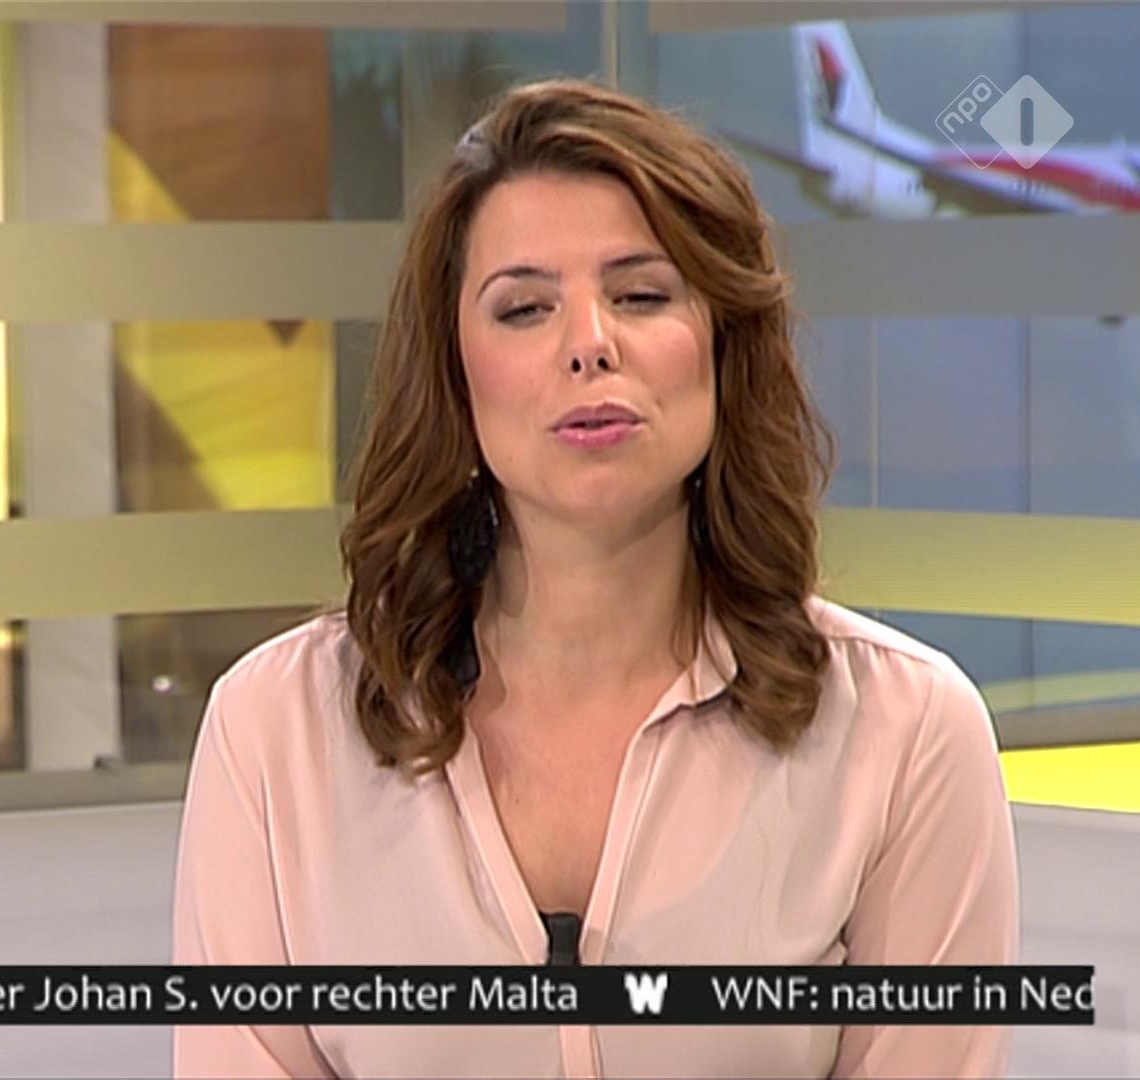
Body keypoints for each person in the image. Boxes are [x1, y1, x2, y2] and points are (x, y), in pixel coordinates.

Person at [171, 80, 1018, 1078]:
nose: (589, 345)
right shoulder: (276, 733)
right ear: (455, 373)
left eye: (641, 295)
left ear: (723, 343)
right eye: (524, 308)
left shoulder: (904, 734)